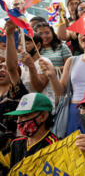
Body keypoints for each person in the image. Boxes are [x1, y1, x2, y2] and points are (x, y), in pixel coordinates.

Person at [1, 93, 57, 170]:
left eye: (25, 116)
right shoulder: (15, 143)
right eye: (18, 116)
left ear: (43, 116)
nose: (19, 121)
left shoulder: (56, 147)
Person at [0, 20, 29, 166]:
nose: (2, 70)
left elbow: (12, 66)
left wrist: (10, 35)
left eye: (4, 67)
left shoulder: (15, 92)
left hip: (10, 153)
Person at [18, 33, 56, 108]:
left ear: (38, 46)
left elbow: (38, 87)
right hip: (27, 107)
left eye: (27, 44)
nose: (21, 48)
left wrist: (31, 66)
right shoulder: (21, 65)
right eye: (20, 45)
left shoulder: (44, 62)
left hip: (42, 108)